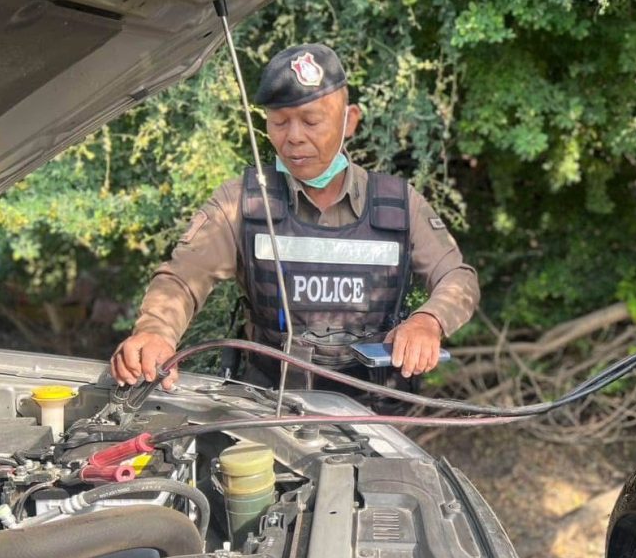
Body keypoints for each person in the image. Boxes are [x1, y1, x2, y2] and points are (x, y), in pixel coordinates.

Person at [110, 44, 479, 405]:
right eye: (279, 122)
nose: (294, 137)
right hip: (269, 406)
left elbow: (458, 277)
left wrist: (428, 321)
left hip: (374, 411)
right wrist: (155, 333)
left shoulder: (398, 204)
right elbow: (181, 278)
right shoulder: (243, 202)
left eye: (311, 121)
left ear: (349, 120)